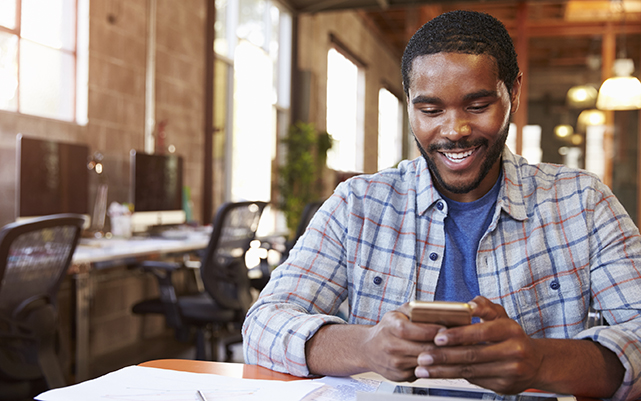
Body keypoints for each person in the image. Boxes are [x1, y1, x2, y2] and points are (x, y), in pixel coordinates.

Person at [242, 10, 641, 401]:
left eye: (478, 105)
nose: (454, 131)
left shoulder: (581, 202)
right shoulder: (358, 205)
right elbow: (264, 324)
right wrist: (366, 346)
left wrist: (541, 362)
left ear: (513, 92)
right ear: (409, 102)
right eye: (430, 110)